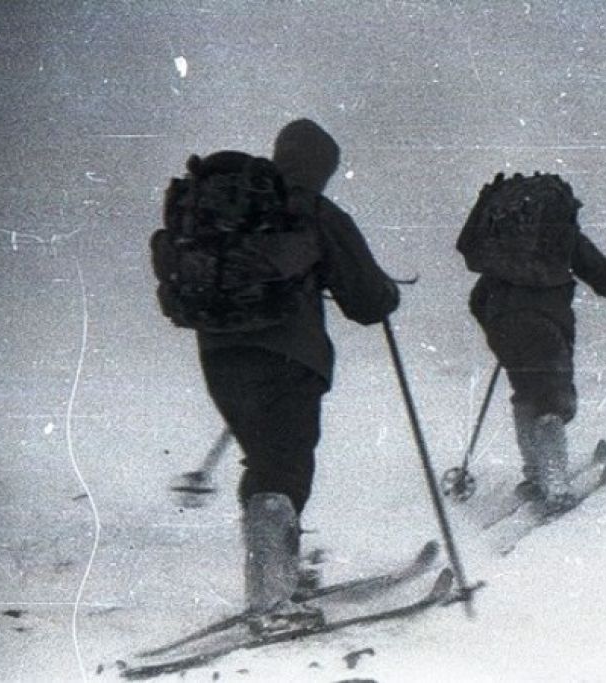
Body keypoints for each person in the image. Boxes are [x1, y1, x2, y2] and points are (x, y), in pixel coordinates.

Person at [174, 119, 399, 625]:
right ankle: (272, 600)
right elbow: (366, 301)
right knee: (284, 467)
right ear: (322, 166)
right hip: (289, 358)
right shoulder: (314, 210)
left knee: (264, 462)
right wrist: (387, 295)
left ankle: (274, 576)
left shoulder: (234, 206)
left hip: (218, 355)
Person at [458, 173, 606, 515]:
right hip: (545, 325)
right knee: (551, 399)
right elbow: (600, 274)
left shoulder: (500, 245)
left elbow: (477, 298)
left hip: (502, 325)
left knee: (525, 394)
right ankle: (554, 481)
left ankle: (535, 474)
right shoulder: (561, 233)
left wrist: (496, 325)